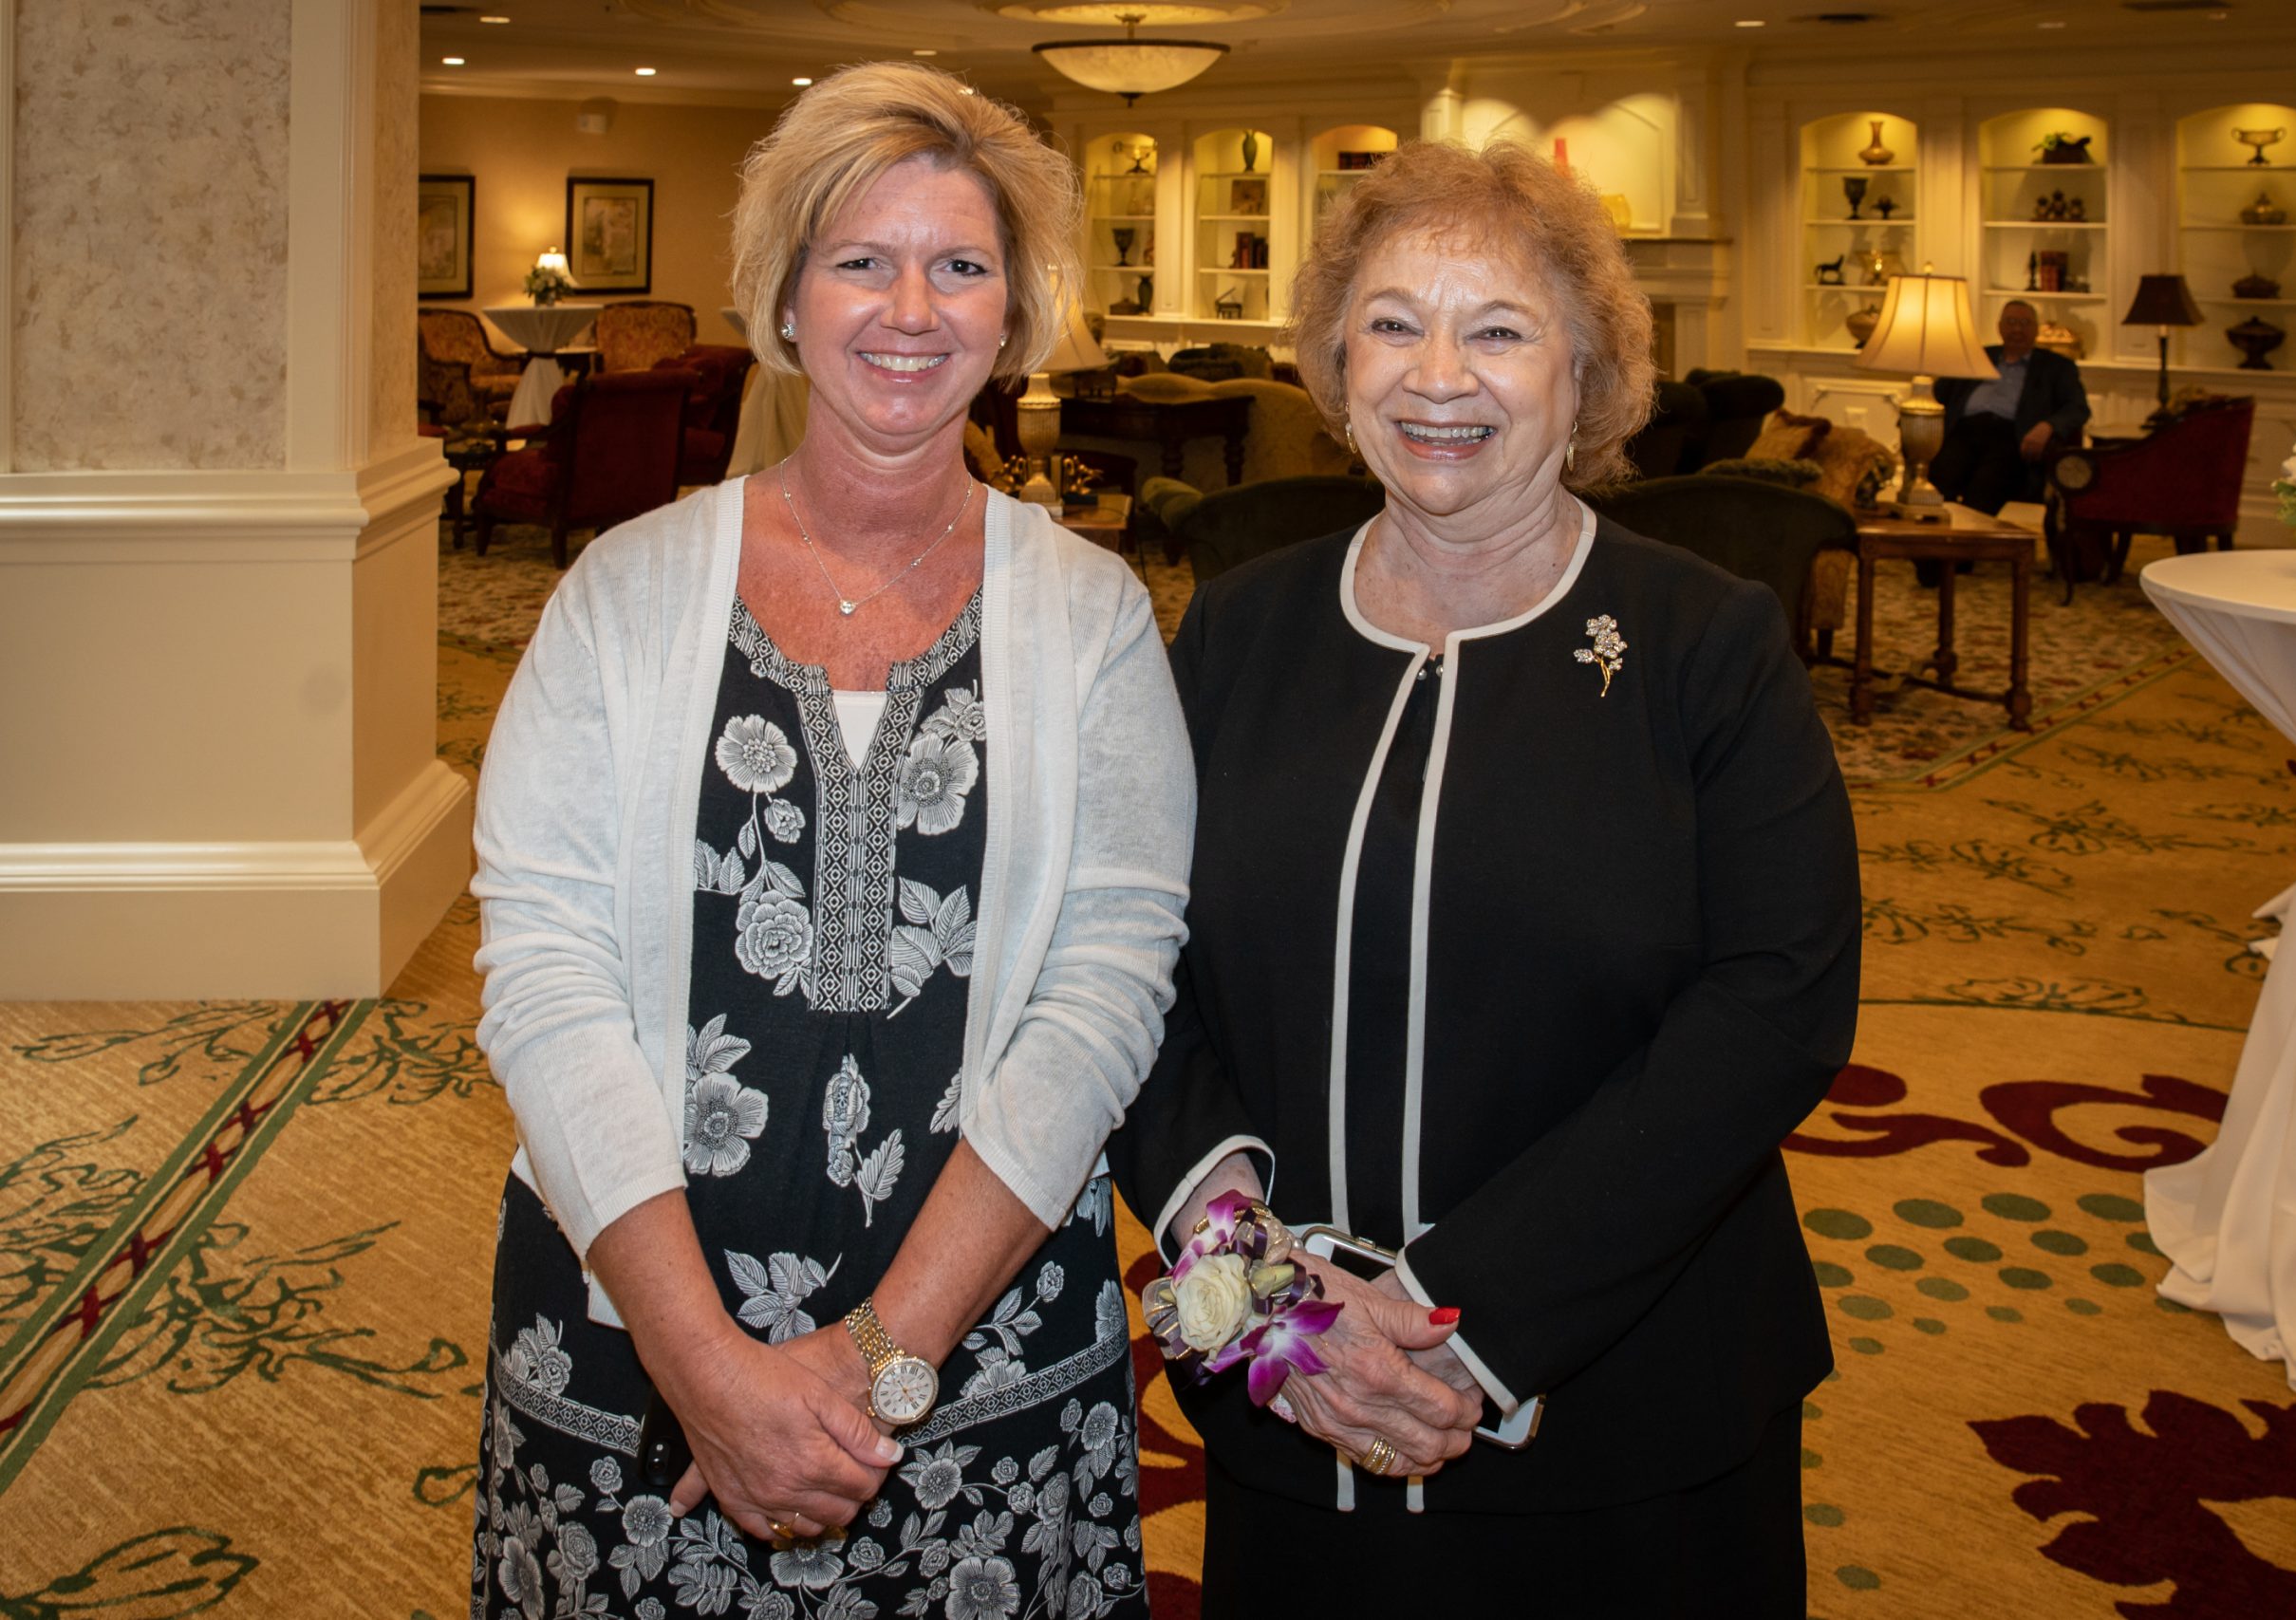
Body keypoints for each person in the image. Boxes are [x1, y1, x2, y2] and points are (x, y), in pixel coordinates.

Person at [468, 64, 1193, 1619]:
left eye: (961, 264)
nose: (910, 310)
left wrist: (883, 1355)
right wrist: (703, 1363)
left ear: (1014, 310)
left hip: (981, 1359)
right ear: (789, 298)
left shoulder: (1096, 620)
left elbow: (1106, 994)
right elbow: (545, 976)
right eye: (861, 259)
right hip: (632, 1344)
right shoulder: (618, 595)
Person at [1107, 140, 1861, 1617]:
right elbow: (1133, 964)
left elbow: (1776, 1004)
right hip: (1289, 1398)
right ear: (1337, 365)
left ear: (1587, 375)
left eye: (1499, 330)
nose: (1438, 374)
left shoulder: (1705, 641)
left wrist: (1460, 1316)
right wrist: (1262, 1298)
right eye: (1392, 323)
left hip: (1629, 1420)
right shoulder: (1238, 630)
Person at [1930, 297, 2091, 513]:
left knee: (1984, 490)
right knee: (1940, 482)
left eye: (2025, 323)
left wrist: (2048, 426)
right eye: (2011, 322)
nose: (2017, 329)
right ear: (1999, 327)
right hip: (1963, 432)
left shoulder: (2056, 367)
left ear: (2036, 329)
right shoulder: (1979, 356)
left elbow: (2078, 408)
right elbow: (1939, 392)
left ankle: (1970, 531)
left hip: (2011, 437)